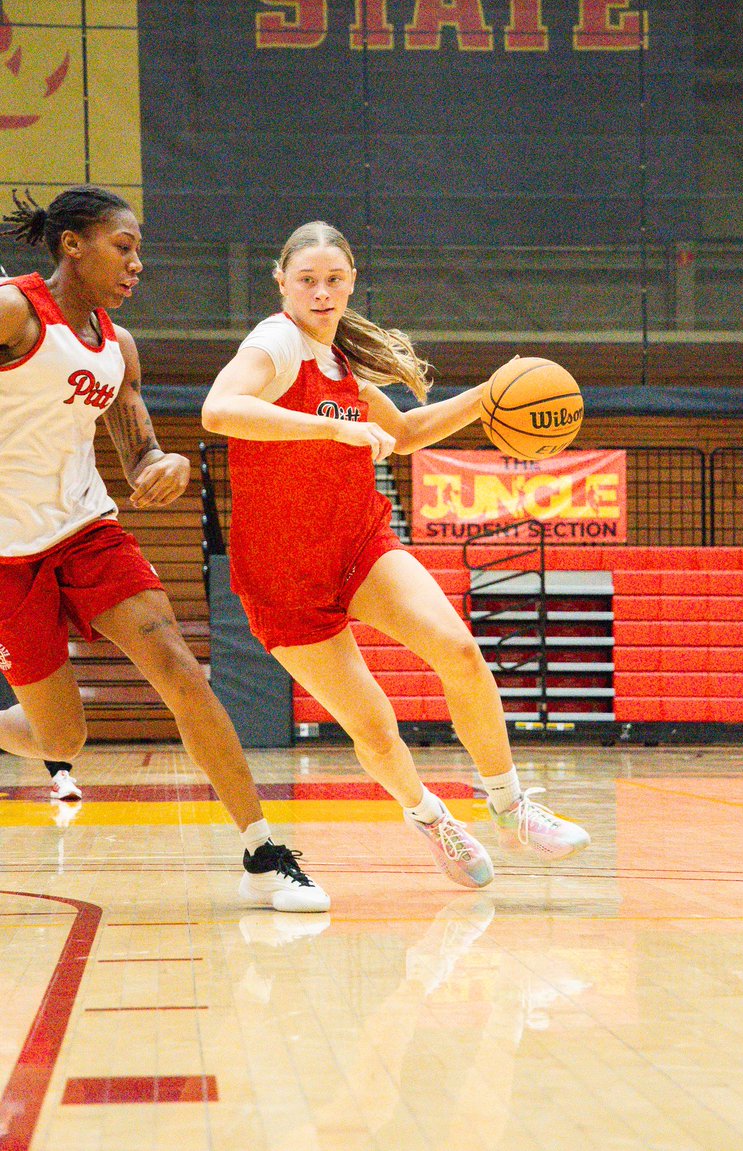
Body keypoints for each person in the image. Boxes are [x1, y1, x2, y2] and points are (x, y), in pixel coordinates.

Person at [202, 220, 590, 888]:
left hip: (358, 543)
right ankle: (429, 813)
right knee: (375, 727)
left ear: (352, 279)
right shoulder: (274, 345)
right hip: (282, 575)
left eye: (335, 279)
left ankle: (511, 804)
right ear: (281, 283)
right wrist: (328, 427)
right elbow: (217, 408)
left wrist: (491, 395)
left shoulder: (339, 360)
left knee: (460, 651)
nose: (322, 293)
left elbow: (404, 432)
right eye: (307, 280)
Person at [0, 187, 328, 912]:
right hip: (7, 555)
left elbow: (140, 453)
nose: (136, 263)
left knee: (177, 662)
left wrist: (164, 467)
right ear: (72, 245)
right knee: (63, 735)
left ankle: (263, 848)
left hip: (87, 529)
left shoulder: (117, 348)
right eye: (123, 246)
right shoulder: (15, 310)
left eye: (138, 249)